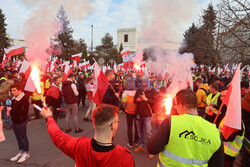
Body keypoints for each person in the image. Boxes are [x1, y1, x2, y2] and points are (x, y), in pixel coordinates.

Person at [40, 103, 135, 167]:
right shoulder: (124, 157)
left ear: (94, 122)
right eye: (117, 121)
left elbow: (57, 135)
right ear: (113, 125)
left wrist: (49, 117)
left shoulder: (79, 146)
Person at [148, 89, 224, 167]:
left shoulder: (170, 122)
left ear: (181, 105)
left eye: (176, 104)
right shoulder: (215, 132)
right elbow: (218, 164)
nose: (175, 107)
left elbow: (152, 149)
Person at [8, 83, 30, 163]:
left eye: (14, 90)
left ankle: (26, 152)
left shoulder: (25, 100)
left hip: (21, 121)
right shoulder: (13, 99)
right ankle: (21, 151)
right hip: (14, 121)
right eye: (11, 90)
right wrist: (10, 112)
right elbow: (12, 109)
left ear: (20, 90)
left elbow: (23, 112)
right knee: (18, 137)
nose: (12, 92)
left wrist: (11, 110)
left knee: (23, 137)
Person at [134, 79, 155, 159]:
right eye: (142, 82)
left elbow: (155, 103)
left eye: (145, 82)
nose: (143, 83)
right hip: (139, 114)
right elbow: (135, 100)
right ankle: (141, 145)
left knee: (148, 132)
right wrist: (137, 100)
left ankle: (151, 150)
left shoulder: (152, 90)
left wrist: (146, 99)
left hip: (147, 115)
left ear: (148, 82)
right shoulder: (139, 90)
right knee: (139, 132)